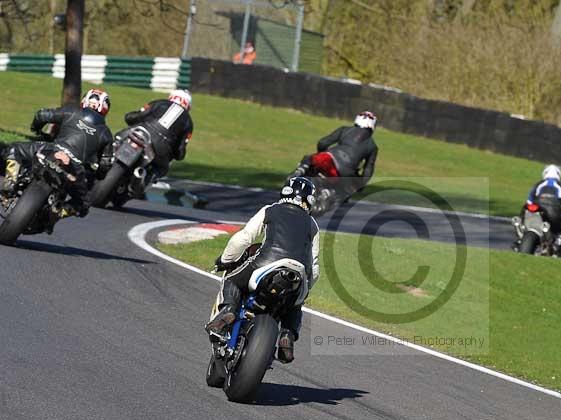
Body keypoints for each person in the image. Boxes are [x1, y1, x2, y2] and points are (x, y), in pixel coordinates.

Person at [206, 176, 320, 363]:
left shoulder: (270, 210)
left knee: (232, 279)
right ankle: (287, 334)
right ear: (310, 201)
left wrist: (225, 260)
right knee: (295, 304)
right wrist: (305, 290)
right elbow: (314, 266)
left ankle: (228, 311)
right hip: (298, 274)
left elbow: (244, 238)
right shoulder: (312, 224)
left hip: (266, 263)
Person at [3, 89, 113, 217]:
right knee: (83, 204)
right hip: (75, 169)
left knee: (14, 149)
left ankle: (10, 182)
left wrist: (36, 129)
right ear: (105, 109)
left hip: (52, 149)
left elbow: (42, 115)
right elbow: (106, 164)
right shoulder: (106, 134)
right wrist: (99, 174)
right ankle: (58, 213)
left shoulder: (71, 111)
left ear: (85, 101)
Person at [291, 111, 379, 198]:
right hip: (347, 172)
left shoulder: (345, 130)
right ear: (373, 126)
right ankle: (330, 193)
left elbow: (323, 143)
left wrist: (321, 153)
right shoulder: (372, 146)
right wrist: (362, 184)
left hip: (329, 159)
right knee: (347, 187)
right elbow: (368, 169)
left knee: (309, 159)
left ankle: (301, 170)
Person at [121, 89, 193, 186]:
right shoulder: (188, 122)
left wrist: (129, 117)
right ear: (188, 105)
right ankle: (143, 183)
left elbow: (137, 116)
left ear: (171, 97)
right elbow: (180, 152)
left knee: (119, 137)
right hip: (162, 148)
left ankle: (107, 157)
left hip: (142, 132)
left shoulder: (159, 103)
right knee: (162, 169)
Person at [516, 164, 561, 256]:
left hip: (536, 212)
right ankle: (558, 242)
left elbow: (529, 203)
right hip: (554, 214)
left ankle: (520, 237)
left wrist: (522, 215)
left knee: (524, 218)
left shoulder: (537, 185)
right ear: (559, 175)